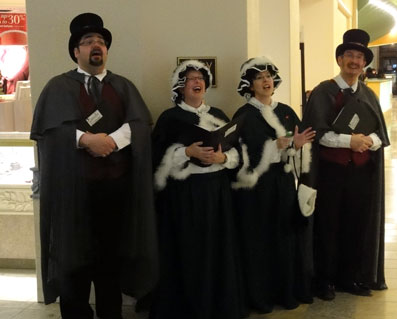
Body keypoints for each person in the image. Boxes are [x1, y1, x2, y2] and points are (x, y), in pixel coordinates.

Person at [30, 13, 158, 319]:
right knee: (73, 266)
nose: (95, 46)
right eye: (87, 42)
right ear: (76, 51)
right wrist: (86, 140)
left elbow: (140, 124)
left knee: (109, 266)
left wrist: (110, 141)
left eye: (100, 41)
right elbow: (48, 132)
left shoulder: (122, 86)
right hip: (72, 195)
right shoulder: (58, 87)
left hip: (115, 195)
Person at [151, 60, 245, 319]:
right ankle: (189, 307)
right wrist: (186, 152)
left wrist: (223, 159)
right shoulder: (169, 119)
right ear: (180, 86)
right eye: (191, 78)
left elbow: (237, 153)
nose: (197, 82)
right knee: (189, 252)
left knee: (218, 251)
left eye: (201, 78)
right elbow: (156, 159)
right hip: (185, 195)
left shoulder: (220, 116)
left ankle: (218, 305)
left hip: (217, 193)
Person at [301, 29, 390, 301]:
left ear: (365, 63)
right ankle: (325, 280)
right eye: (349, 55)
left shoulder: (367, 94)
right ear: (339, 59)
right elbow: (319, 134)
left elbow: (380, 134)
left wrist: (366, 142)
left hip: (362, 173)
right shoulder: (323, 91)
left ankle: (349, 277)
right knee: (328, 226)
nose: (354, 61)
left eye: (359, 57)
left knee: (356, 224)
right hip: (331, 173)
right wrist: (349, 141)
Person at [232, 56, 316, 313]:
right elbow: (242, 154)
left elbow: (300, 145)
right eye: (259, 77)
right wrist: (275, 147)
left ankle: (287, 291)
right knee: (262, 240)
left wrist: (296, 147)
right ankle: (261, 296)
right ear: (250, 83)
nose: (266, 80)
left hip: (283, 185)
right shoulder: (244, 115)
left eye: (268, 75)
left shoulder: (286, 111)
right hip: (258, 190)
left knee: (285, 238)